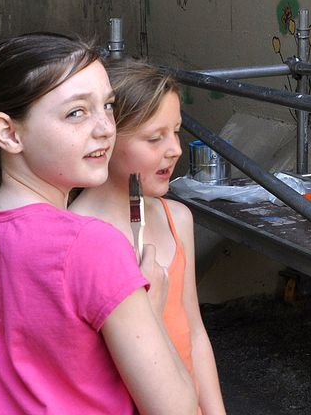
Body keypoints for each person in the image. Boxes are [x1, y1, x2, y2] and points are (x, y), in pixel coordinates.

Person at [0, 33, 198, 415]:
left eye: (107, 106)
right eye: (76, 112)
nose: (105, 128)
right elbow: (175, 408)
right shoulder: (91, 245)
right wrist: (155, 309)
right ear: (9, 133)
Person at [72, 61, 227, 414]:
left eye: (176, 131)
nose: (174, 149)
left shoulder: (178, 218)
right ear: (106, 138)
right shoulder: (73, 234)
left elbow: (194, 330)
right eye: (155, 138)